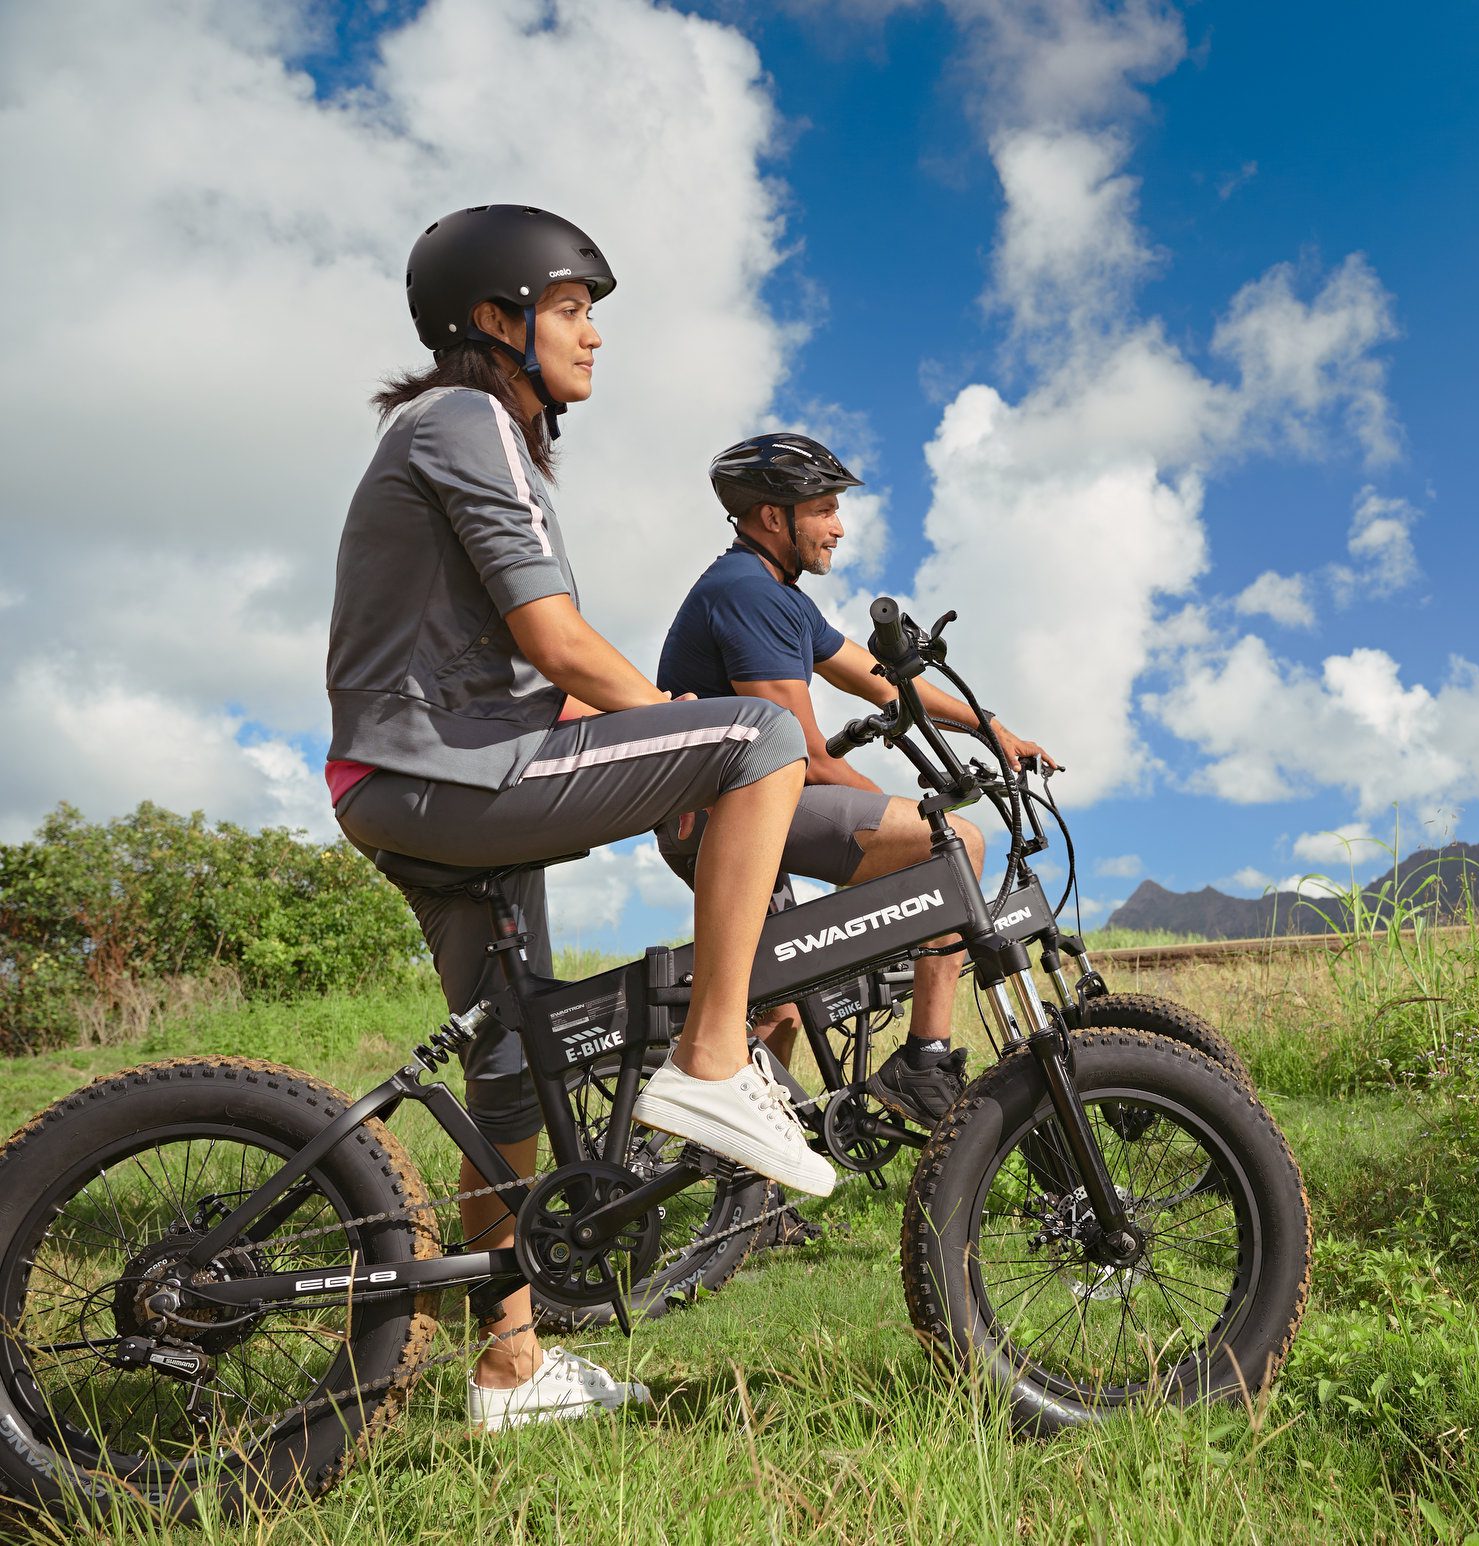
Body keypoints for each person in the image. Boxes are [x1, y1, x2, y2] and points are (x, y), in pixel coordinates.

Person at [325, 205, 835, 1432]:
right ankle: (715, 1060)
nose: (593, 335)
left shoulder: (461, 435)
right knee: (759, 738)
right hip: (446, 775)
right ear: (492, 321)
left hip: (415, 781)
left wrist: (652, 731)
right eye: (569, 309)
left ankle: (508, 1366)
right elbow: (557, 643)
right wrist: (680, 729)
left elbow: (525, 672)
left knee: (507, 1072)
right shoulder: (468, 421)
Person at [653, 433, 1060, 1150]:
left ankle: (747, 1178)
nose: (839, 527)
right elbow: (806, 758)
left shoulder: (779, 596)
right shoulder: (749, 594)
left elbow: (879, 680)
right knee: (951, 844)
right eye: (824, 509)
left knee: (776, 1008)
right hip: (731, 816)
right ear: (773, 517)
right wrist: (902, 809)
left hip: (730, 815)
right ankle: (925, 1060)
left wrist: (989, 728)